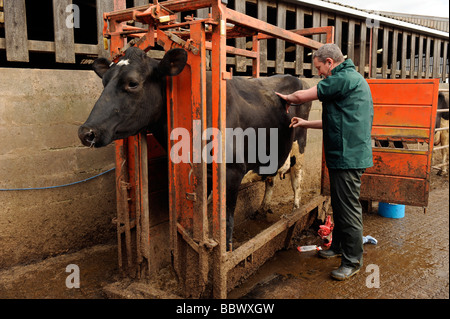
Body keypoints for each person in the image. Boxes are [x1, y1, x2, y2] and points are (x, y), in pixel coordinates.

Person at [276, 44, 374, 281]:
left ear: (330, 62)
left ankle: (352, 261)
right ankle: (339, 246)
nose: (319, 73)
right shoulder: (349, 79)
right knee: (340, 207)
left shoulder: (343, 79)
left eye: (319, 67)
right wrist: (305, 123)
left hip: (348, 157)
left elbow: (300, 95)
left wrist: (285, 97)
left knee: (348, 209)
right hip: (344, 154)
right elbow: (335, 121)